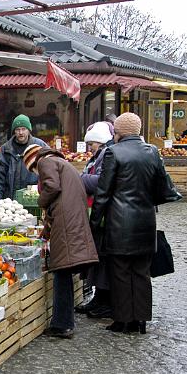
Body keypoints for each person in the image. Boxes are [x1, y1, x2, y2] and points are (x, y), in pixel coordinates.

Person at [89, 112, 169, 334]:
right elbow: (164, 189)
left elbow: (103, 193)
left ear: (120, 132)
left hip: (120, 223)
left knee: (121, 272)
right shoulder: (152, 152)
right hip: (145, 221)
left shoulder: (113, 153)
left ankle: (123, 320)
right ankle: (141, 320)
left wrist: (95, 222)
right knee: (142, 272)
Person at [21, 144, 99, 339]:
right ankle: (63, 322)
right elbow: (59, 200)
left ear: (33, 162)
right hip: (72, 221)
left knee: (61, 272)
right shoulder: (62, 163)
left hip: (66, 224)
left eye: (33, 170)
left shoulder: (45, 161)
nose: (36, 173)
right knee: (64, 272)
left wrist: (41, 202)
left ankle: (62, 325)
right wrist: (46, 231)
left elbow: (52, 188)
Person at [75, 121, 114, 318]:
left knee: (102, 258)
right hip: (96, 212)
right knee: (97, 258)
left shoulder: (106, 155)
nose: (90, 147)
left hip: (103, 214)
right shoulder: (98, 156)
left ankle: (104, 302)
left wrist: (79, 178)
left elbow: (101, 182)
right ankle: (98, 299)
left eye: (92, 144)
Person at [0, 115, 47, 200]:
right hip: (9, 202)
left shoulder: (40, 147)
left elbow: (49, 173)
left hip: (32, 199)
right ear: (14, 131)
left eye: (24, 129)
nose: (21, 132)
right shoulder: (5, 149)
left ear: (29, 130)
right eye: (18, 129)